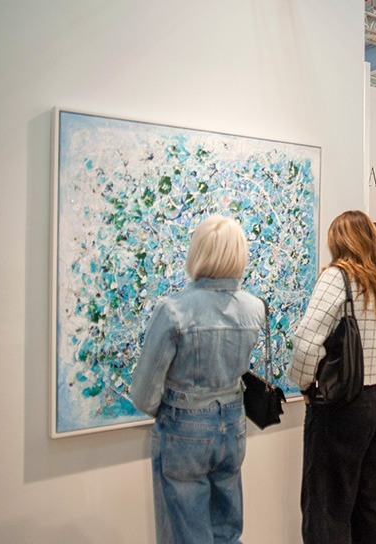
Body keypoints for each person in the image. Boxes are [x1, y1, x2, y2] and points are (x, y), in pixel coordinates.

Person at [131, 214, 266, 543]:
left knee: (187, 534)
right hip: (232, 424)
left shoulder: (173, 310)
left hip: (185, 427)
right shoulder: (254, 308)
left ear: (198, 252)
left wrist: (171, 406)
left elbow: (144, 394)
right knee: (227, 532)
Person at [289, 210, 376, 544]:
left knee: (328, 503)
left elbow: (306, 340)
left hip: (342, 403)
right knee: (372, 497)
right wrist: (374, 375)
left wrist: (305, 385)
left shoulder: (336, 277)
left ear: (337, 240)